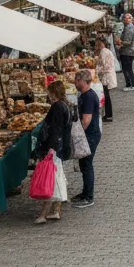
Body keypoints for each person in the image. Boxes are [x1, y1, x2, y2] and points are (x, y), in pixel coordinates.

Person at [32, 79, 71, 224]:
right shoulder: (66, 105)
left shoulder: (56, 107)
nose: (48, 96)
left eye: (49, 93)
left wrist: (50, 148)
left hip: (54, 148)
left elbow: (55, 130)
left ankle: (44, 213)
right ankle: (56, 211)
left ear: (54, 94)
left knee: (50, 178)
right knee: (58, 176)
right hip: (60, 148)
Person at [72, 70, 101, 208]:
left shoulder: (89, 97)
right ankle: (85, 193)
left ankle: (89, 197)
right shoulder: (84, 95)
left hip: (90, 135)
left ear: (83, 81)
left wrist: (79, 134)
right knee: (84, 164)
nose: (75, 82)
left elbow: (86, 119)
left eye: (77, 80)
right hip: (89, 134)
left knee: (87, 164)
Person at [96, 36, 117, 122]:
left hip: (106, 77)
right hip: (108, 76)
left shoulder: (103, 52)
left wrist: (96, 70)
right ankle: (108, 114)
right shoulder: (106, 51)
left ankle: (108, 115)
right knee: (106, 96)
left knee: (107, 96)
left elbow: (104, 66)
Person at [117, 13, 134, 91]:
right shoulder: (128, 27)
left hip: (128, 52)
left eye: (128, 18)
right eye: (125, 18)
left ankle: (130, 85)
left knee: (127, 69)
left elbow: (128, 42)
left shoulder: (129, 28)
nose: (126, 19)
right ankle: (130, 84)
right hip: (129, 51)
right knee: (128, 68)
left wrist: (119, 41)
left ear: (131, 19)